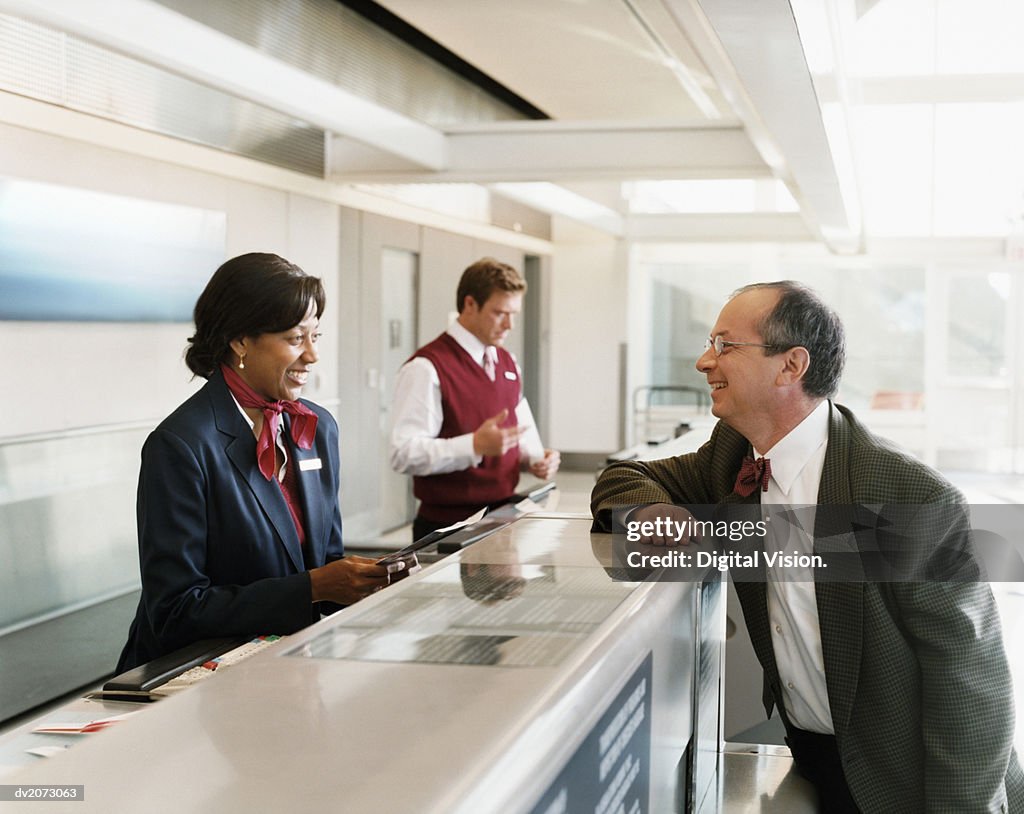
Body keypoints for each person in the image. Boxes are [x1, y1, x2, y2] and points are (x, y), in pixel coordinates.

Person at [591, 281, 1023, 813]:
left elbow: (973, 685)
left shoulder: (906, 496)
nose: (704, 361)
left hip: (912, 780)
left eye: (726, 345)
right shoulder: (731, 455)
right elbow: (623, 476)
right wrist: (652, 515)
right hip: (810, 757)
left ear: (791, 365)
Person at [117, 253, 396, 672]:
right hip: (196, 680)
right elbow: (174, 610)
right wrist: (312, 588)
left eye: (315, 336)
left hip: (287, 666)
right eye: (294, 338)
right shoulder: (181, 446)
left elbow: (325, 559)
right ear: (240, 340)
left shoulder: (317, 429)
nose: (312, 355)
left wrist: (362, 581)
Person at [389, 257, 560, 540]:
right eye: (500, 313)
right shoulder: (427, 367)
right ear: (470, 305)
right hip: (448, 528)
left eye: (514, 314)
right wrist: (473, 446)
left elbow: (518, 431)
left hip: (503, 519)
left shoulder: (507, 362)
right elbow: (403, 454)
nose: (510, 325)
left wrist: (534, 458)